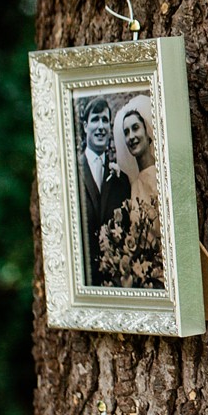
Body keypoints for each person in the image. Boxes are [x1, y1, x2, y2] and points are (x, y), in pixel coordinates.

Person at [98, 97, 164, 288]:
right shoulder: (132, 186)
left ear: (148, 132)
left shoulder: (161, 177)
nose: (131, 136)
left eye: (136, 128)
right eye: (126, 132)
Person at [76, 97, 131, 287]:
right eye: (95, 119)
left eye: (105, 120)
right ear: (85, 126)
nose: (100, 126)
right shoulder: (72, 173)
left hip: (115, 282)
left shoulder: (121, 180)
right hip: (82, 281)